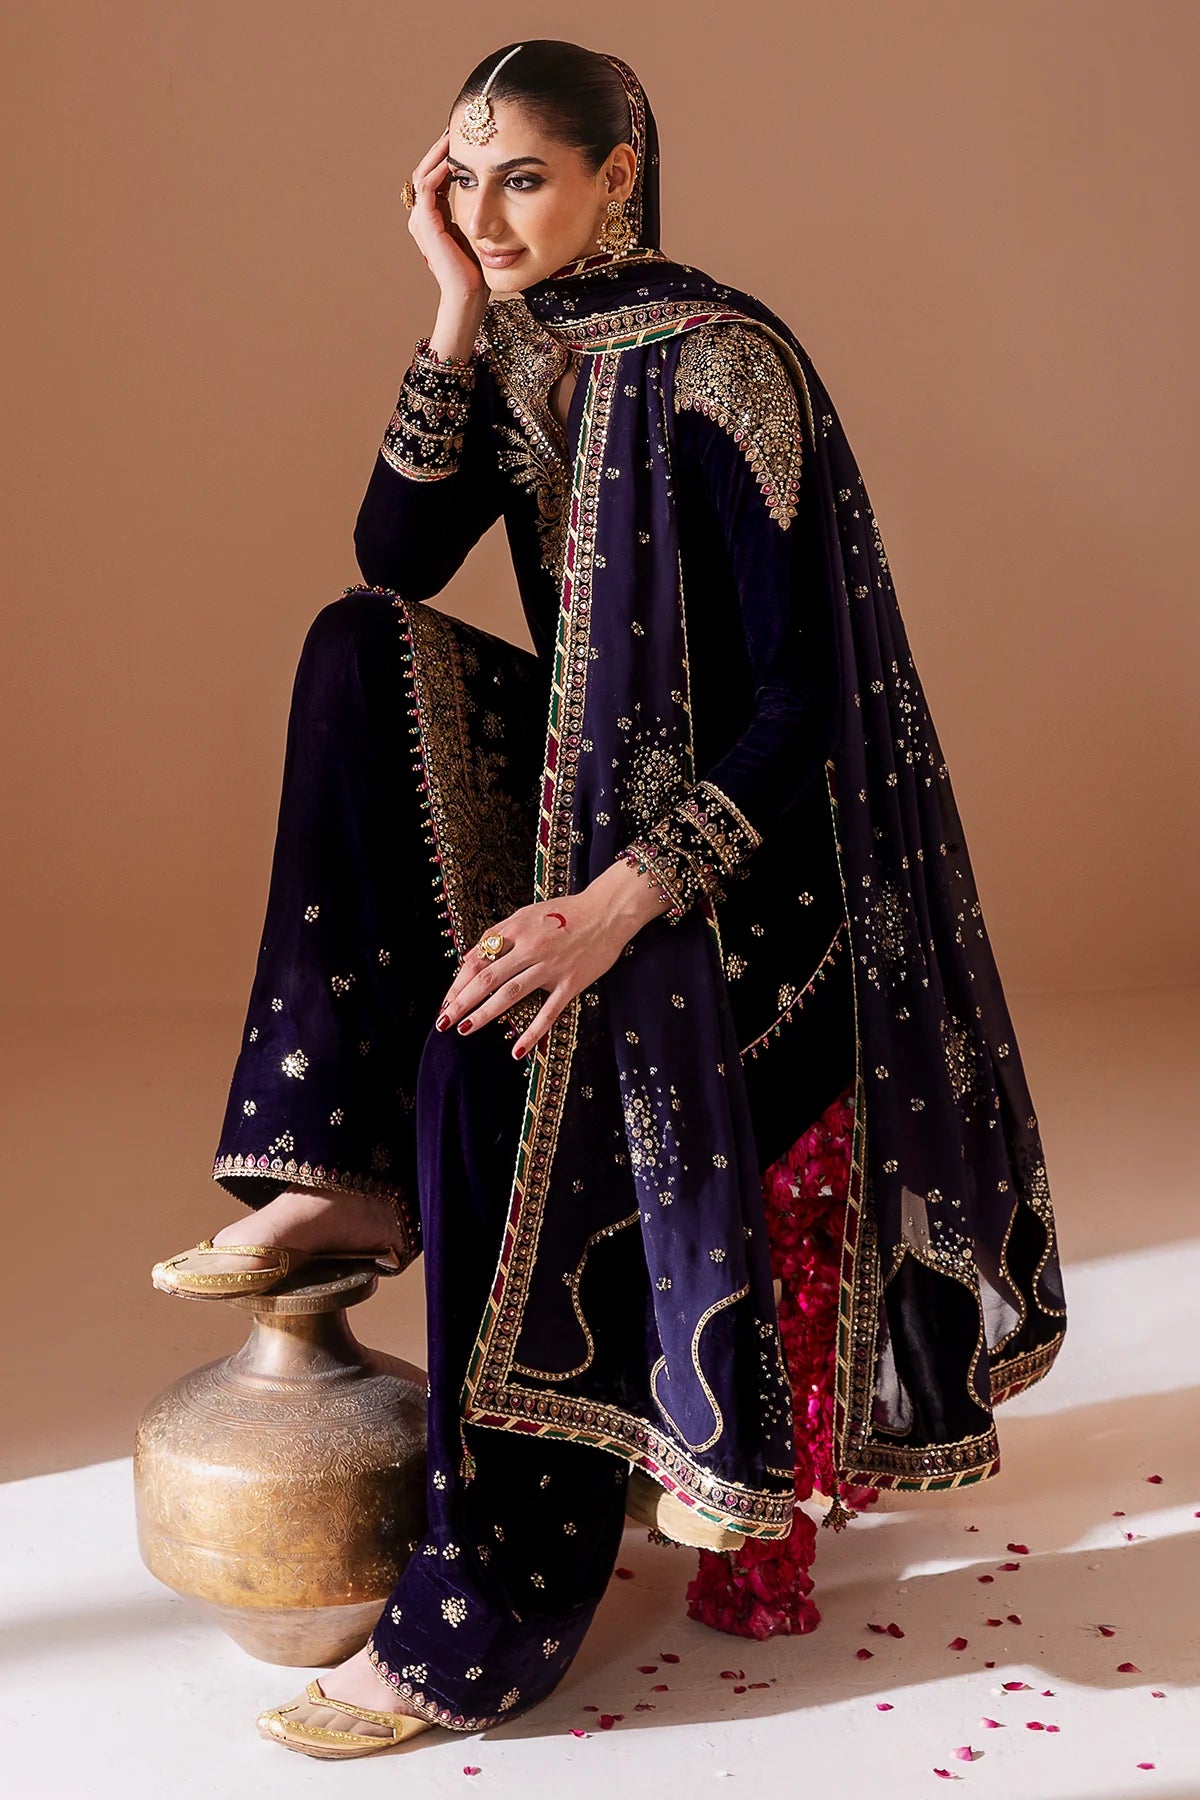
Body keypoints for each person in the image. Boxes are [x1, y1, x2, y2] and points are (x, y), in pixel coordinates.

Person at [151, 40, 1067, 1759]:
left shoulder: (727, 365)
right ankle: (330, 1185)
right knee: (358, 648)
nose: (491, 216)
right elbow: (399, 558)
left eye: (525, 179)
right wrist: (444, 305)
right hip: (591, 807)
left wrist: (615, 907)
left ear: (618, 170)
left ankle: (486, 1615)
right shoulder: (518, 347)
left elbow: (804, 706)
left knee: (493, 1067)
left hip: (751, 874)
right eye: (466, 178)